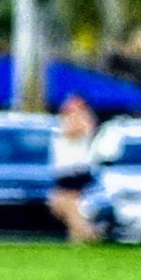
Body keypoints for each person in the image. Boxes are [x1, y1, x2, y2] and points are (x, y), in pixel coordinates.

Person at [48, 93, 101, 243]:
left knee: (67, 204)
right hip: (64, 169)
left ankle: (89, 234)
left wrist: (73, 115)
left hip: (75, 169)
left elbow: (72, 133)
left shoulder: (82, 118)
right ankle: (78, 236)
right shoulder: (66, 119)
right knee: (61, 206)